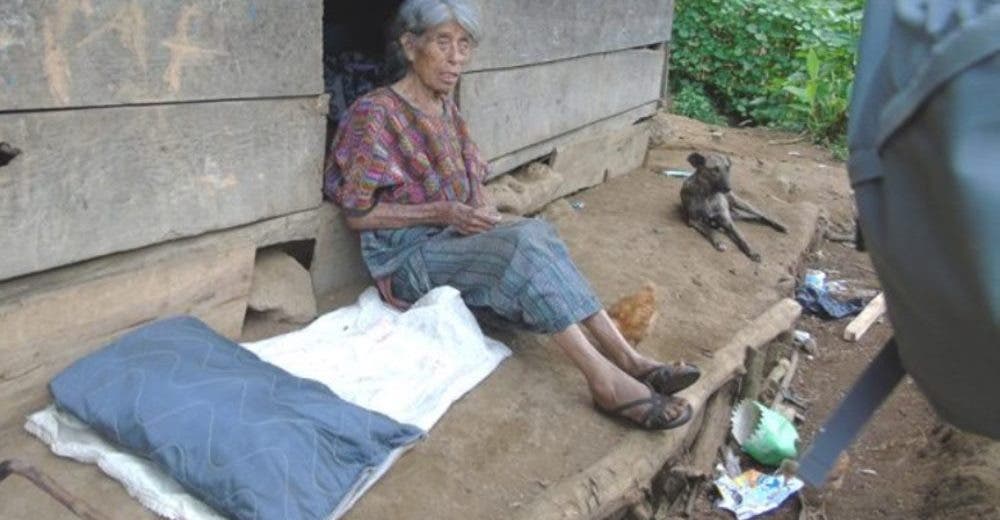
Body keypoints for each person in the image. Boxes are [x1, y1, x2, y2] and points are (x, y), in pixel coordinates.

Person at [323, 0, 699, 430]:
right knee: (519, 247)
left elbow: (473, 176)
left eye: (464, 45)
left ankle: (630, 359)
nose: (456, 57)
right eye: (443, 43)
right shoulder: (374, 115)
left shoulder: (446, 107)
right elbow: (357, 213)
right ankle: (604, 380)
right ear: (410, 47)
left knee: (538, 233)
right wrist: (444, 211)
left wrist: (479, 203)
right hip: (407, 261)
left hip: (450, 241)